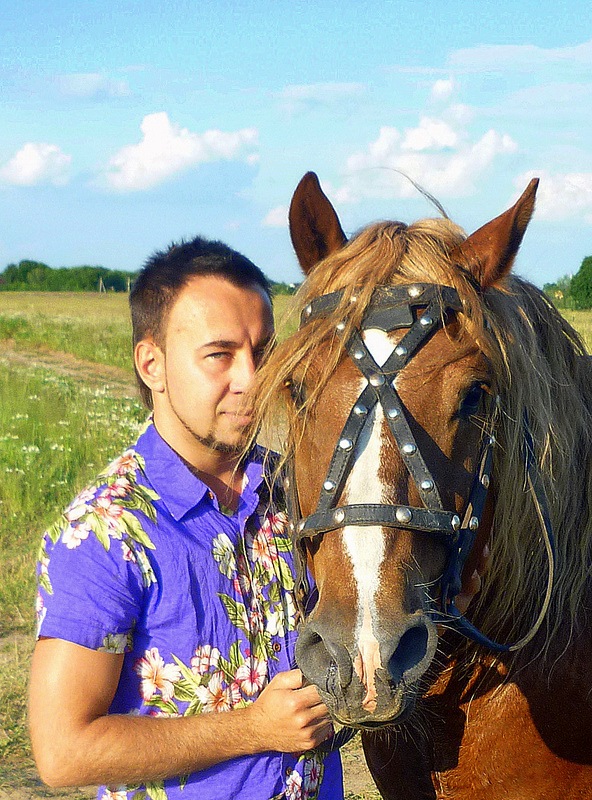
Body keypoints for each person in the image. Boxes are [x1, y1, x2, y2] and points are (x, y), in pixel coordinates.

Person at [29, 237, 344, 800]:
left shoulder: (297, 493)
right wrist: (254, 729)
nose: (252, 379)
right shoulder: (105, 532)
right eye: (220, 354)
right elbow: (63, 750)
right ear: (152, 365)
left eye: (263, 352)